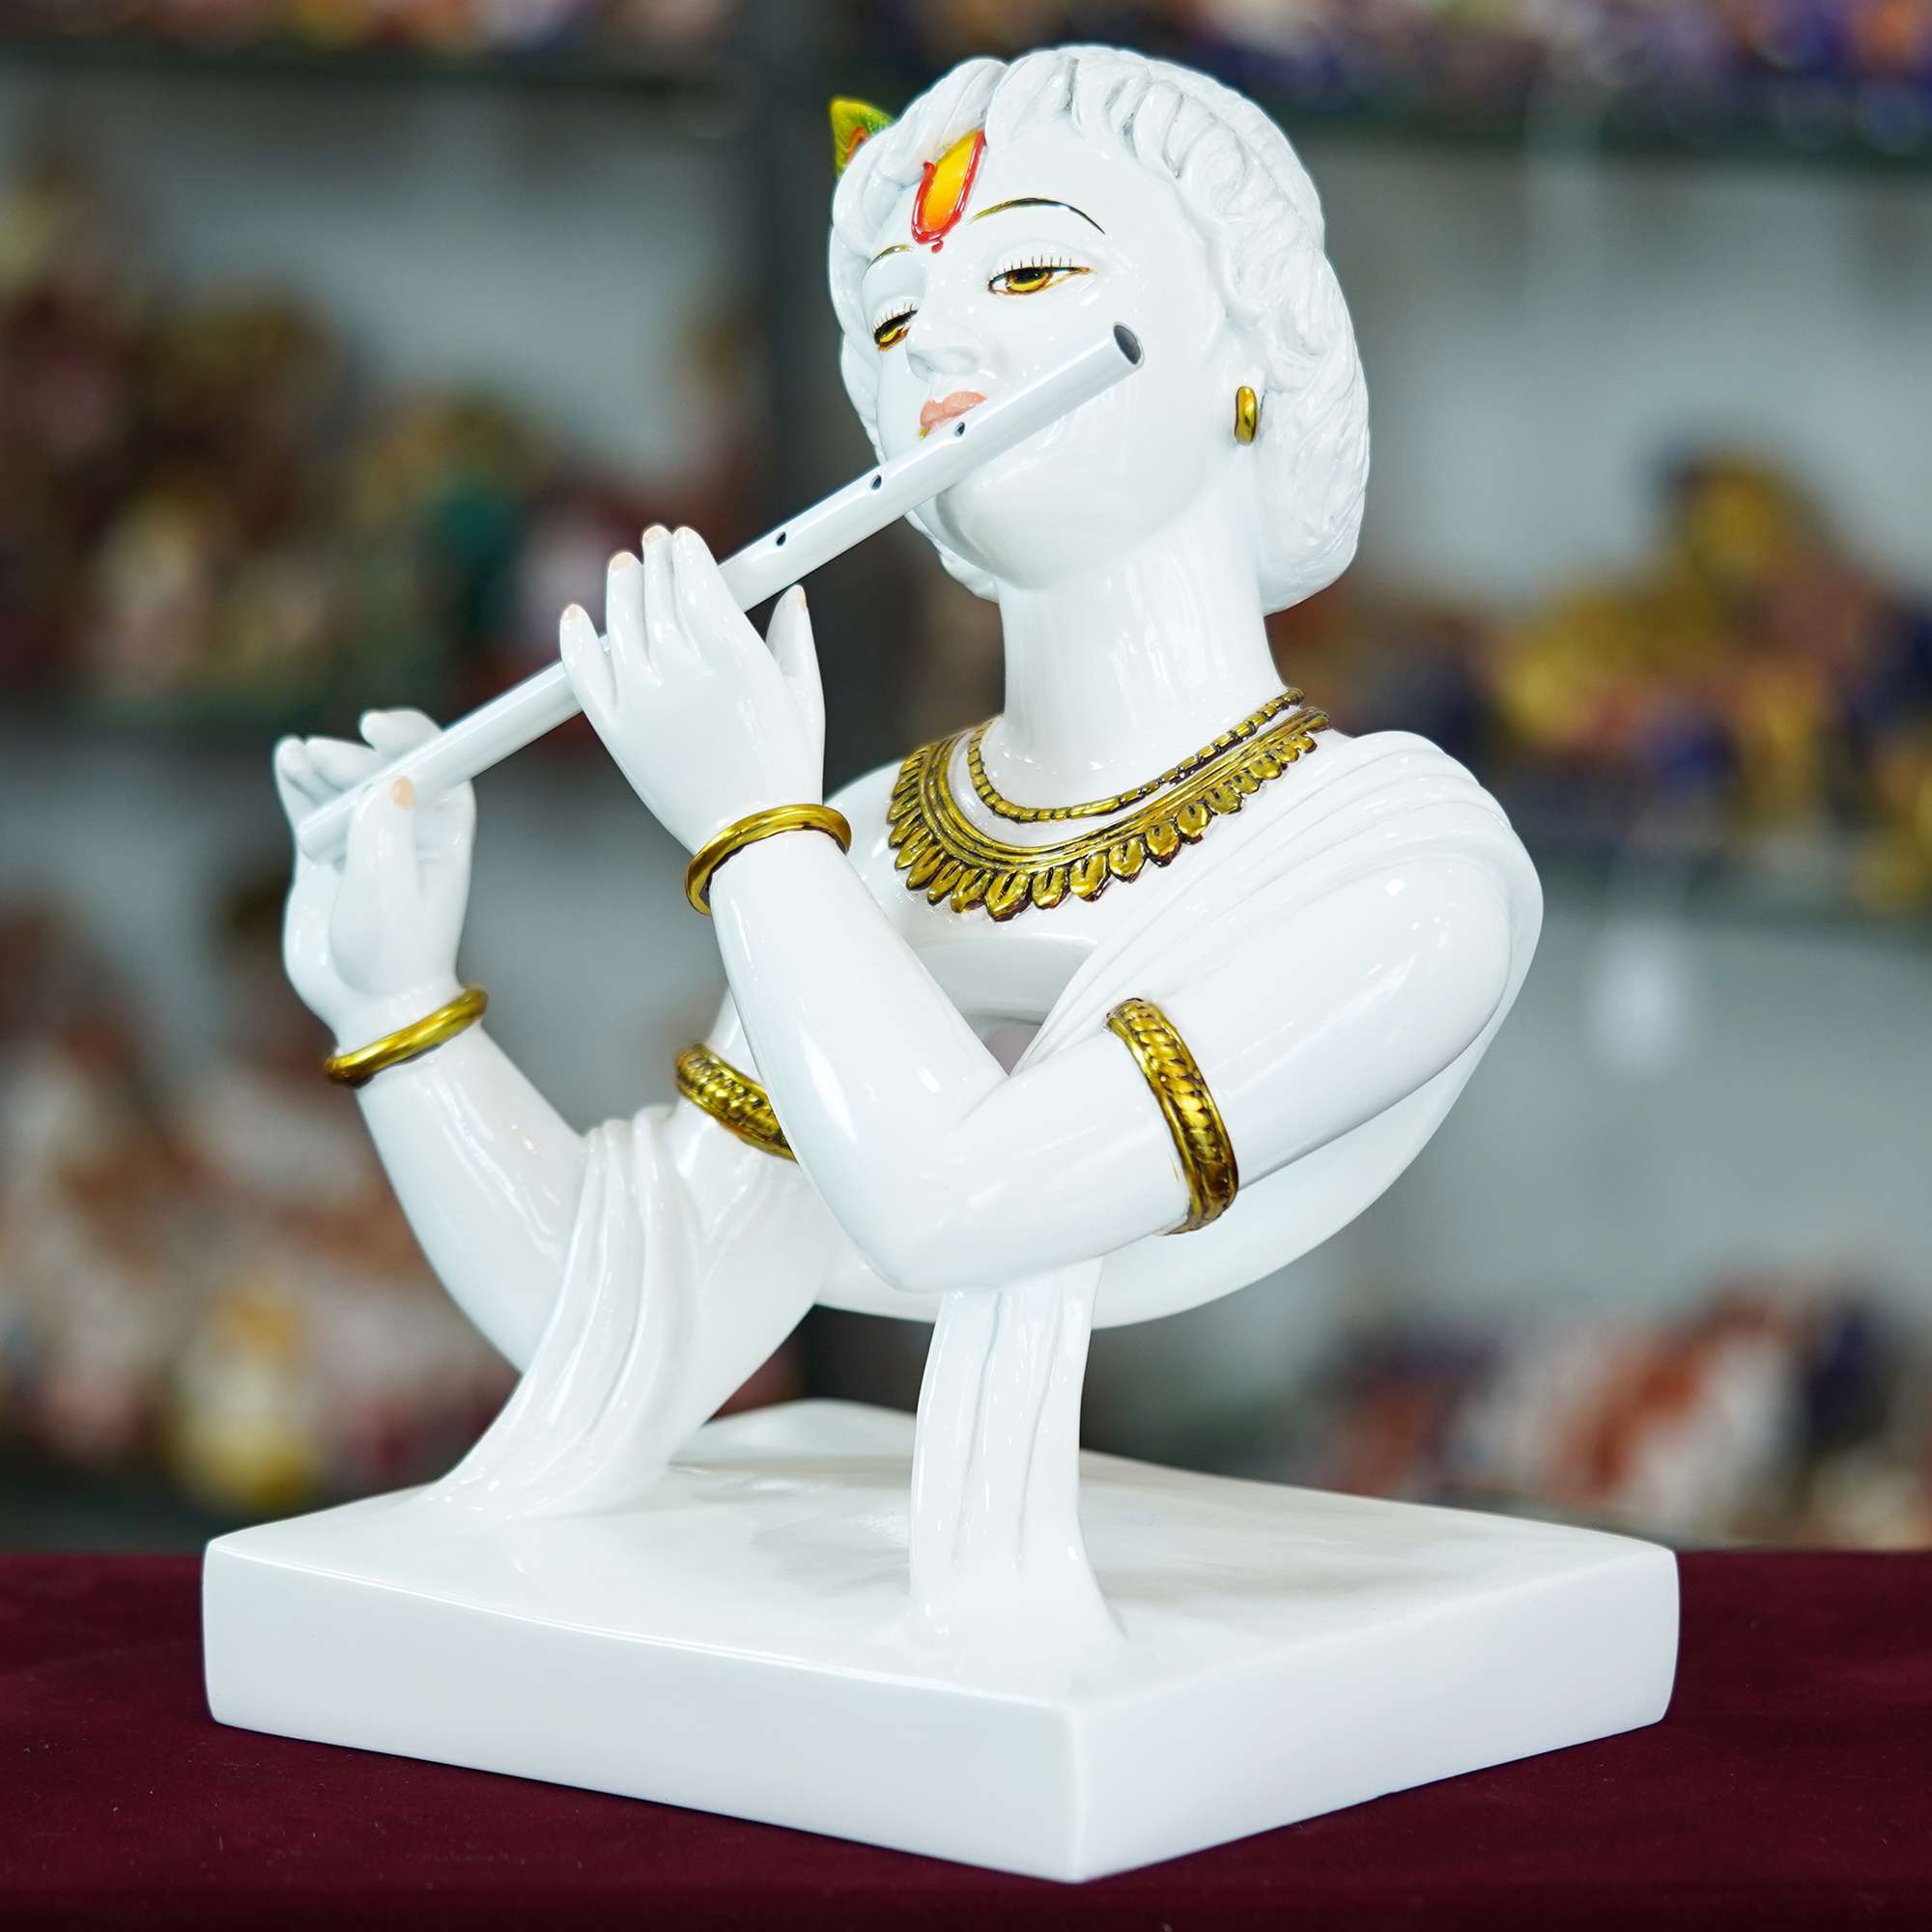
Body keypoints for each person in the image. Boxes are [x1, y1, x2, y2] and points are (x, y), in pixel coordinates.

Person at [273, 46, 1540, 1639]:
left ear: (1253, 356)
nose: (933, 339)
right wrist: (399, 1003)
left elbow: (959, 1203)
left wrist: (751, 833)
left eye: (1028, 269)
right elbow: (631, 1319)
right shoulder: (867, 837)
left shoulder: (1403, 877)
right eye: (889, 320)